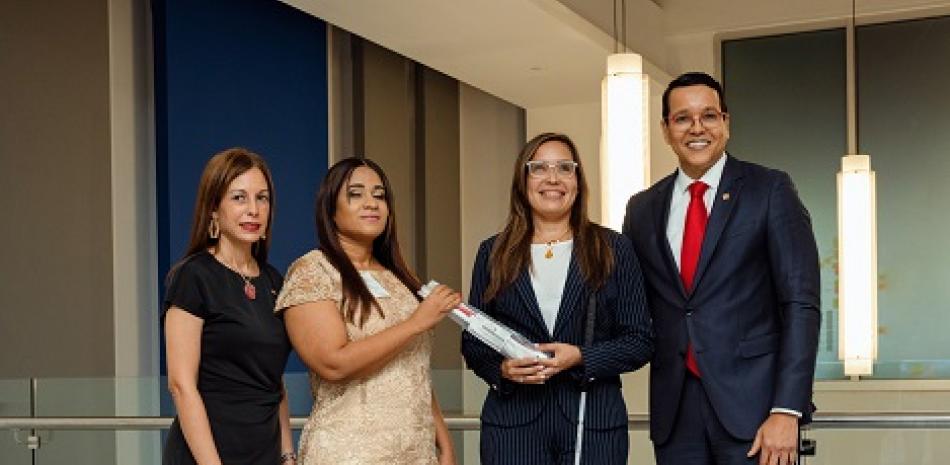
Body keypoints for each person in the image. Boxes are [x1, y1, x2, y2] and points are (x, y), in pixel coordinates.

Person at [622, 72, 821, 465]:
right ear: (665, 129)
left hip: (758, 412)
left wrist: (787, 409)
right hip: (675, 413)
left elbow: (801, 303)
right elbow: (627, 301)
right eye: (682, 118)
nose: (697, 128)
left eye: (709, 116)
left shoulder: (770, 190)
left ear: (726, 124)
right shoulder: (642, 208)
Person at [461, 132, 653, 465]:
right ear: (523, 181)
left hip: (592, 423)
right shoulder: (492, 253)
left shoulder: (613, 248)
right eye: (540, 168)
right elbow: (474, 342)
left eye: (565, 168)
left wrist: (580, 356)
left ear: (577, 181)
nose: (553, 178)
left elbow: (640, 341)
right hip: (512, 425)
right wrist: (503, 369)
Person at [276, 157, 459, 465]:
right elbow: (333, 364)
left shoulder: (399, 278)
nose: (371, 203)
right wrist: (416, 323)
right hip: (349, 452)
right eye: (356, 193)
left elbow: (414, 371)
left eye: (379, 194)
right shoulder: (313, 271)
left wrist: (444, 444)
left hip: (417, 453)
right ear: (331, 210)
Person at [163, 148, 295, 465]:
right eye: (239, 198)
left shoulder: (274, 281)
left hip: (264, 453)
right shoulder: (194, 276)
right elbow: (181, 385)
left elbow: (273, 381)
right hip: (207, 455)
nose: (253, 210)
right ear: (213, 208)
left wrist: (288, 455)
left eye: (262, 198)